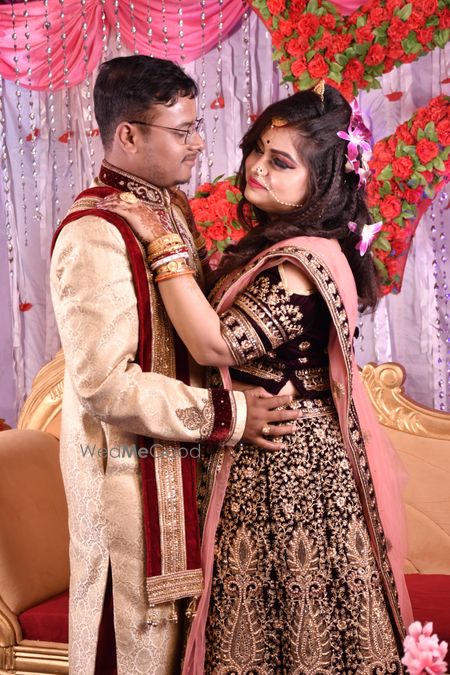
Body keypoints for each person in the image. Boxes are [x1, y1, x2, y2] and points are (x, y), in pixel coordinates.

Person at [99, 83, 413, 673]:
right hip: (261, 447)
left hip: (287, 470)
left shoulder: (299, 262)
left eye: (281, 162)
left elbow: (214, 343)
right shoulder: (282, 245)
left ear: (323, 182)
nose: (258, 167)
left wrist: (162, 242)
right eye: (257, 150)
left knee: (291, 634)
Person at [49, 55, 300, 675]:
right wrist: (228, 413)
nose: (198, 144)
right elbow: (105, 384)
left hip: (181, 471)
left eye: (196, 127)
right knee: (130, 653)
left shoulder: (166, 212)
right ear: (128, 135)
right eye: (182, 131)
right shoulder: (96, 231)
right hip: (127, 497)